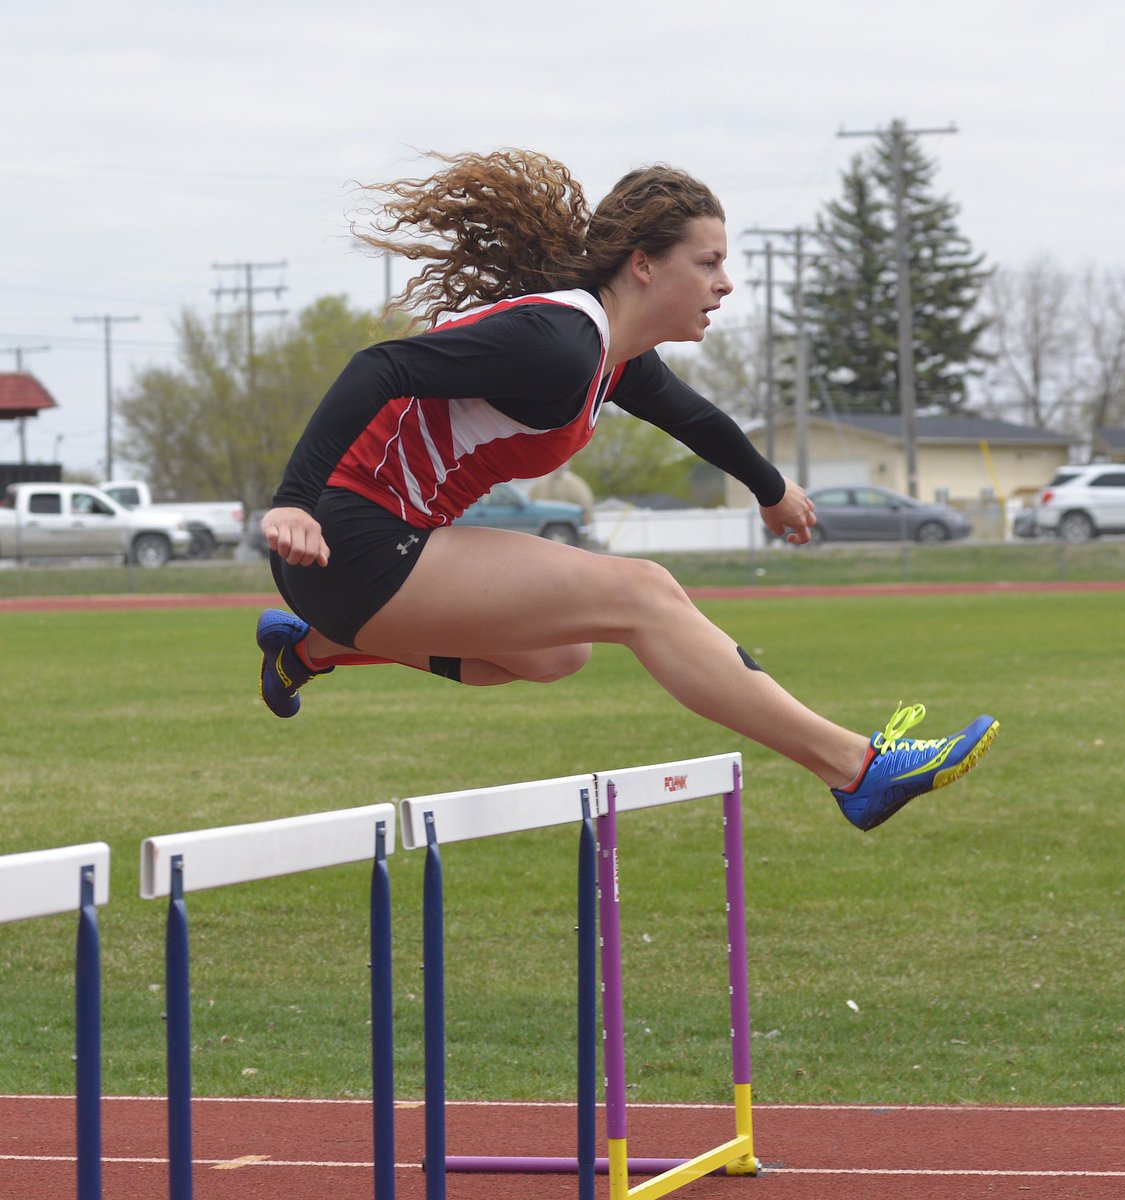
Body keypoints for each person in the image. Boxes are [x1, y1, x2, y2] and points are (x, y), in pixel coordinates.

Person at [256, 149, 998, 833]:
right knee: (644, 594)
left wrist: (772, 491)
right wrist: (293, 500)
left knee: (559, 653)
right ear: (643, 265)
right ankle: (857, 769)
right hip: (347, 538)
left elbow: (694, 418)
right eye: (708, 262)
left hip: (368, 568)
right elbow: (378, 366)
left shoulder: (613, 358)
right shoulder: (558, 345)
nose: (725, 283)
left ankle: (311, 651)